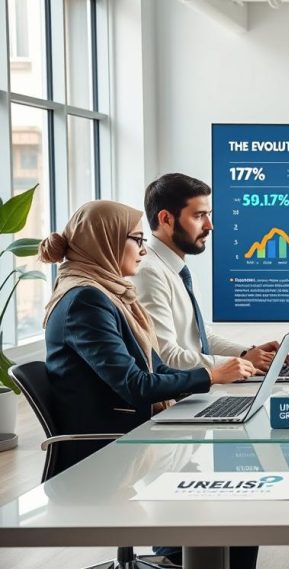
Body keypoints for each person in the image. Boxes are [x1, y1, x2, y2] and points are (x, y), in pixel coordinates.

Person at [41, 201, 259, 569]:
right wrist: (211, 376)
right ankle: (182, 551)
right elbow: (135, 386)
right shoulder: (85, 300)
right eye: (137, 240)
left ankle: (180, 552)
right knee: (234, 512)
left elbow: (154, 368)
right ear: (106, 242)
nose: (144, 249)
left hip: (135, 433)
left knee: (236, 496)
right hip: (107, 451)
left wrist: (210, 384)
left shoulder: (110, 295)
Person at [133, 173, 282, 372]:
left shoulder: (179, 269)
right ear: (166, 219)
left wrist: (246, 354)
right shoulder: (148, 272)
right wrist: (243, 364)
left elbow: (202, 338)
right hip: (182, 396)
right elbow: (165, 358)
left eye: (208, 214)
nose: (210, 225)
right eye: (198, 216)